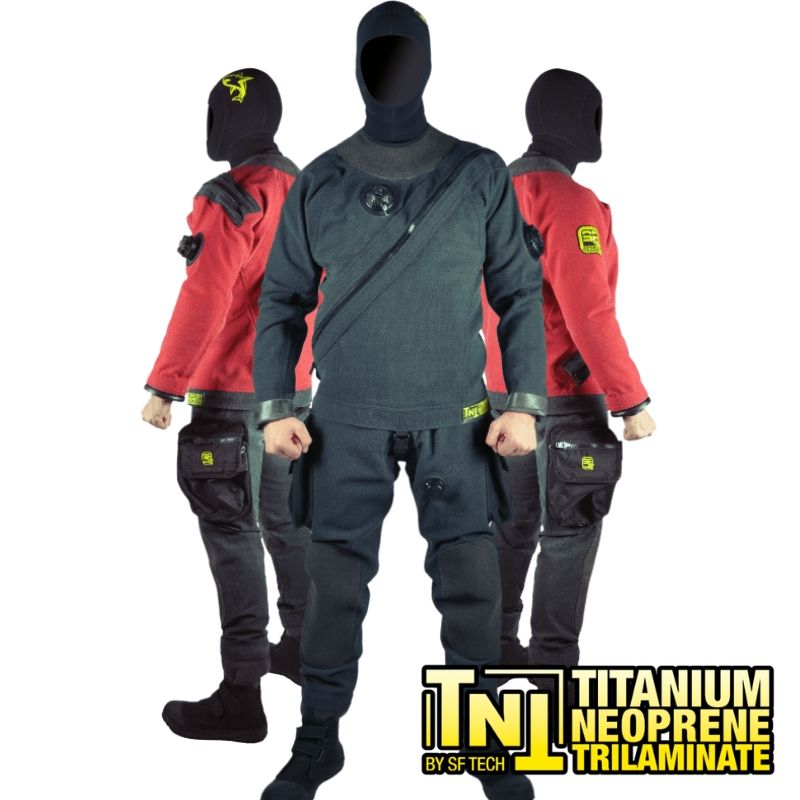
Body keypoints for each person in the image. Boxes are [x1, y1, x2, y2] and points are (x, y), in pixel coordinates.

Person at [253, 4, 546, 798]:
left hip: (459, 419)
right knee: (332, 589)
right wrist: (275, 407)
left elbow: (520, 293)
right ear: (356, 64)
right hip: (343, 423)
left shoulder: (480, 173)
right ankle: (318, 741)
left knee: (473, 586)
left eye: (404, 53)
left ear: (429, 62)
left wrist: (524, 402)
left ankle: (485, 744)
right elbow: (280, 300)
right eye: (379, 54)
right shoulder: (321, 180)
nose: (392, 69)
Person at [141, 67, 314, 743]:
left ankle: (241, 695)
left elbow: (205, 295)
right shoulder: (309, 192)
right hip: (292, 395)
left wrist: (166, 384)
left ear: (221, 125)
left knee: (232, 533)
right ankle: (302, 647)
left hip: (231, 394)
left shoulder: (234, 198)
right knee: (284, 521)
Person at [483, 68, 656, 683]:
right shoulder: (568, 201)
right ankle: (552, 675)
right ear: (584, 123)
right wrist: (630, 400)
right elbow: (589, 313)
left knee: (510, 527)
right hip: (563, 399)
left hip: (500, 396)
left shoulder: (490, 193)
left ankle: (493, 656)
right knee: (570, 530)